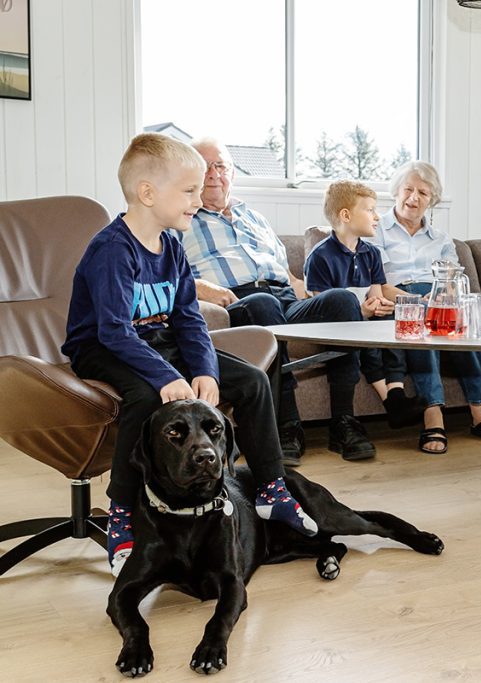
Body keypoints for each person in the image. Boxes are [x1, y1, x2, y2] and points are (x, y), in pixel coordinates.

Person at [62, 133, 319, 577]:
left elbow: (188, 320)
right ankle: (121, 512)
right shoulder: (112, 250)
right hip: (102, 347)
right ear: (147, 193)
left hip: (157, 341)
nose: (198, 201)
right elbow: (114, 330)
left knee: (253, 382)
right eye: (188, 191)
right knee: (145, 398)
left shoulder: (175, 249)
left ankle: (272, 489)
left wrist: (205, 371)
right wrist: (165, 376)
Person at [180, 139, 413, 464]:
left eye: (220, 165)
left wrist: (317, 296)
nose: (214, 173)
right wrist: (204, 289)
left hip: (284, 297)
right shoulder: (183, 219)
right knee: (263, 303)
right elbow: (170, 274)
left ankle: (343, 422)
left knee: (341, 300)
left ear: (231, 172)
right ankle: (288, 426)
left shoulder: (255, 218)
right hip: (239, 301)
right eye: (206, 166)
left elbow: (288, 275)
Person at [367, 161, 481, 454]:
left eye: (423, 192)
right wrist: (418, 302)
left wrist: (439, 302)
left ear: (431, 200)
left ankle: (480, 411)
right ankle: (432, 413)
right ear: (396, 192)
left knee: (462, 322)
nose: (414, 197)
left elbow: (453, 282)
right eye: (408, 189)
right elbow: (377, 284)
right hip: (399, 300)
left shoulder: (442, 240)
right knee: (423, 322)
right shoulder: (376, 230)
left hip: (436, 299)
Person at [303, 180, 424, 458]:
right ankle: (392, 401)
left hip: (366, 319)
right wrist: (364, 312)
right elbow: (323, 304)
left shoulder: (371, 253)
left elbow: (377, 294)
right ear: (345, 216)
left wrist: (381, 307)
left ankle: (395, 394)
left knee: (390, 324)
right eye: (370, 210)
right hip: (336, 324)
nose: (378, 216)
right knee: (366, 337)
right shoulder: (321, 256)